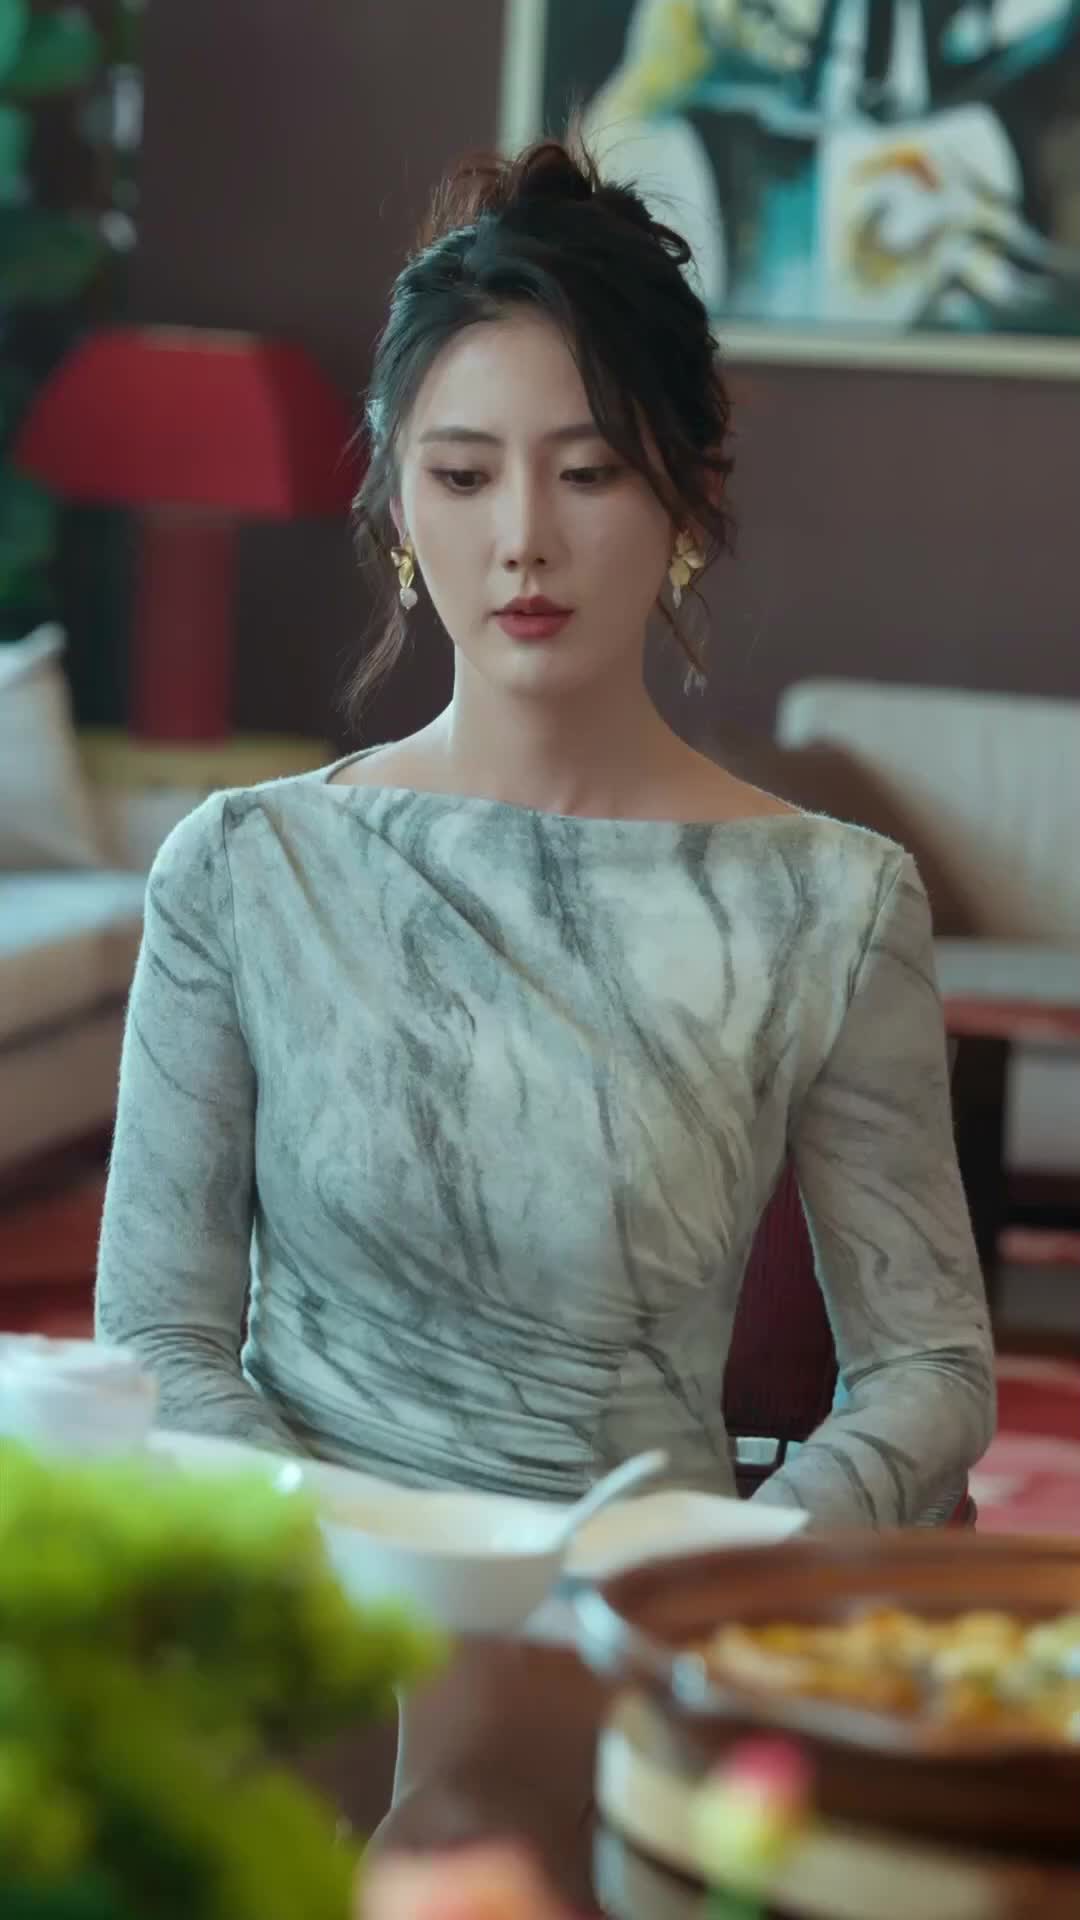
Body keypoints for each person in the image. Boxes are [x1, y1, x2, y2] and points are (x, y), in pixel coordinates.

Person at [96, 136, 995, 1530]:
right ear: (400, 506)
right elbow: (159, 1335)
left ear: (689, 496)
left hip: (637, 1614)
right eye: (464, 478)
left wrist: (732, 1562)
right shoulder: (242, 869)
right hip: (308, 1600)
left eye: (589, 474)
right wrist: (339, 1563)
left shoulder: (833, 902)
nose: (523, 539)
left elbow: (927, 1367)